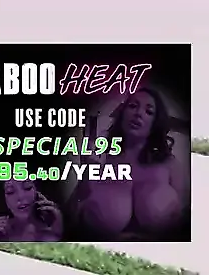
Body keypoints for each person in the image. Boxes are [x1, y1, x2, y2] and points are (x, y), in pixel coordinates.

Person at [67, 87, 191, 240]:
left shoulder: (169, 165)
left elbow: (187, 221)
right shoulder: (100, 161)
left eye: (149, 111)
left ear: (155, 124)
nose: (138, 113)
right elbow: (71, 213)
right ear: (122, 115)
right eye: (132, 106)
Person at [0, 177, 65, 242]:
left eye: (27, 187)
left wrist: (59, 232)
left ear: (37, 192)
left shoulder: (52, 230)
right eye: (10, 192)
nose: (21, 196)